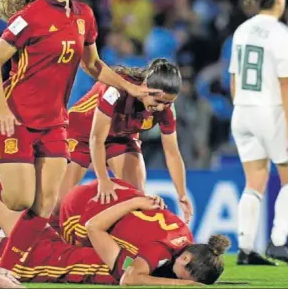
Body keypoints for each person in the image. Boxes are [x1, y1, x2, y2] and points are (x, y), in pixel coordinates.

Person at [0, 0, 159, 287]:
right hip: (16, 118)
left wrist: (133, 89)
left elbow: (93, 65)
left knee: (45, 205)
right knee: (18, 199)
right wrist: (1, 108)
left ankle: (2, 273)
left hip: (54, 123)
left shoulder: (84, 15)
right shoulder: (29, 17)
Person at [0, 183, 229, 286]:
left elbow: (130, 279)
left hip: (51, 262)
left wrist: (133, 203)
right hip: (60, 244)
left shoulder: (147, 263)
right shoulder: (163, 248)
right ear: (187, 255)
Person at [229, 0, 288, 266]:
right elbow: (286, 84)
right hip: (270, 109)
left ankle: (246, 249)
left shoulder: (242, 30)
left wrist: (242, 110)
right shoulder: (282, 34)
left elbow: (234, 79)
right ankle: (278, 243)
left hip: (243, 111)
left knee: (255, 182)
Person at [58, 59, 193, 224]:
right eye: (157, 101)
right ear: (144, 86)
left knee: (136, 199)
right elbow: (96, 138)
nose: (160, 108)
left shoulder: (166, 110)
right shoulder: (115, 91)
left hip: (121, 137)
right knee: (58, 205)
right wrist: (103, 179)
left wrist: (182, 194)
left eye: (167, 103)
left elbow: (172, 152)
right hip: (81, 133)